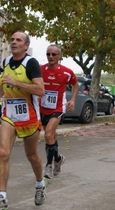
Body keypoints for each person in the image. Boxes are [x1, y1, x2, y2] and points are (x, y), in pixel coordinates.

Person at [0, 31, 45, 210]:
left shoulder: (31, 63)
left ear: (26, 45)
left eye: (18, 40)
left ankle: (40, 183)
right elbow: (5, 83)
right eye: (12, 39)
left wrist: (18, 83)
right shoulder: (5, 62)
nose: (14, 42)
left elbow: (40, 90)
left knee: (32, 156)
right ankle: (2, 197)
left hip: (29, 117)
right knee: (3, 153)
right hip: (9, 114)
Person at [40, 44, 78, 179]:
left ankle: (49, 165)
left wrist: (72, 100)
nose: (50, 57)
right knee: (51, 136)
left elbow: (75, 84)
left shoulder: (66, 72)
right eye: (48, 54)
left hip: (58, 107)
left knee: (49, 133)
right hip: (43, 107)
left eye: (53, 54)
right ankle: (58, 158)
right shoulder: (40, 70)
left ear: (59, 56)